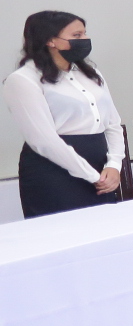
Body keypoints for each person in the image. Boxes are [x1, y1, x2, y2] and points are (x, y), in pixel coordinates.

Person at [4, 11, 124, 217]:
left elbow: (113, 123)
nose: (84, 39)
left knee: (105, 227)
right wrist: (91, 176)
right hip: (54, 171)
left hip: (100, 166)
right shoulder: (24, 79)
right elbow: (43, 140)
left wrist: (114, 165)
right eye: (76, 35)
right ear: (50, 40)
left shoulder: (91, 74)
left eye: (85, 33)